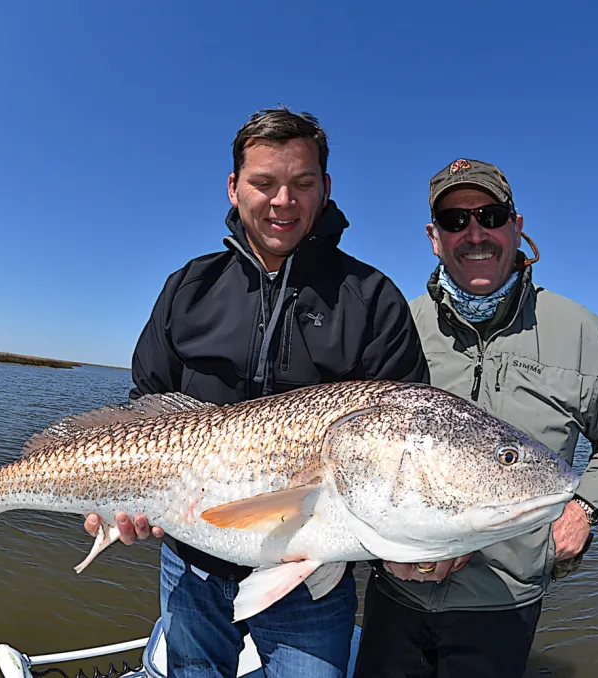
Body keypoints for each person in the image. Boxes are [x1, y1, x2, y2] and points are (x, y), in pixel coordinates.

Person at [84, 107, 430, 677]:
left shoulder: (372, 298)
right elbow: (144, 405)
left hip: (314, 577)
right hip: (191, 562)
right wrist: (125, 504)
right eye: (264, 182)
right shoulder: (189, 287)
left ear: (325, 187)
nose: (283, 201)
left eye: (302, 183)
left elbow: (410, 441)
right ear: (234, 186)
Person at [353, 158, 598, 678]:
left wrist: (584, 508)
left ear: (516, 227)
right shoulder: (396, 326)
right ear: (433, 237)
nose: (475, 233)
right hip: (394, 593)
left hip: (504, 602)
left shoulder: (579, 331)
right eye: (455, 220)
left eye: (490, 217)